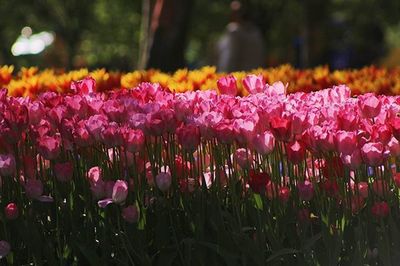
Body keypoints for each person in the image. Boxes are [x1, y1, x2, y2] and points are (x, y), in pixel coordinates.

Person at [216, 1, 266, 72]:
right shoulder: (257, 32)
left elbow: (229, 58)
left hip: (237, 76)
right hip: (255, 75)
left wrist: (223, 75)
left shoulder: (234, 30)